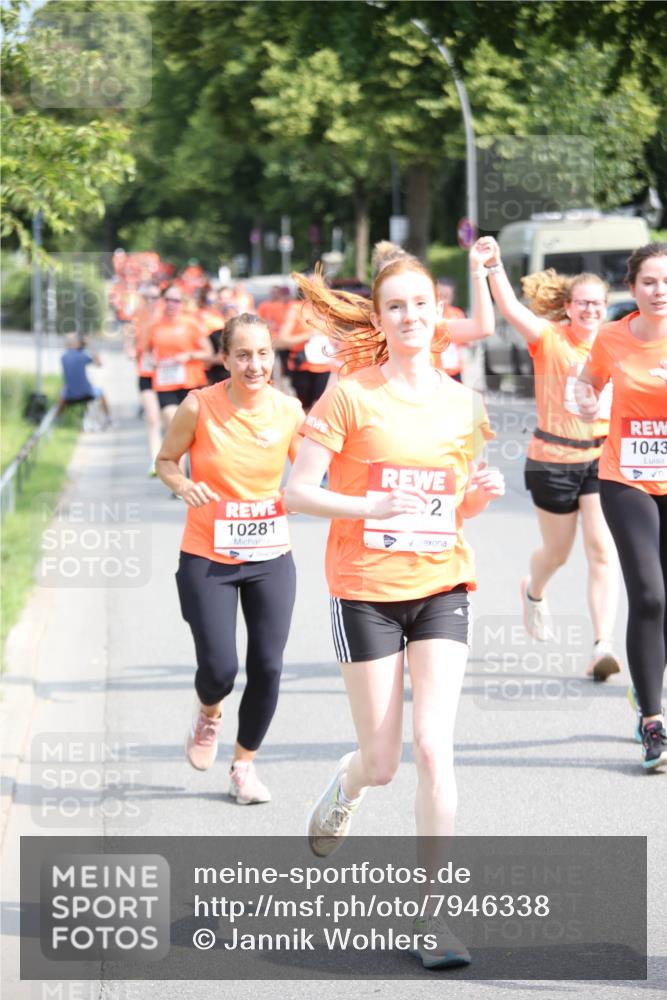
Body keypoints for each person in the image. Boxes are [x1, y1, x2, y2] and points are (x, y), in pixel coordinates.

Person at [284, 246, 503, 968]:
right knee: (382, 763)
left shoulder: (463, 403)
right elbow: (297, 491)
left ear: (439, 314)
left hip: (441, 584)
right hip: (365, 592)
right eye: (396, 307)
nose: (411, 316)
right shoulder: (349, 395)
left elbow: (454, 507)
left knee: (435, 748)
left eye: (421, 304)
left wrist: (478, 496)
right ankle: (347, 785)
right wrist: (366, 505)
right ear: (378, 320)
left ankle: (431, 917)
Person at [155, 313, 305, 802]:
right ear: (224, 358)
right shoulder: (198, 406)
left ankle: (244, 766)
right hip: (207, 555)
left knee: (268, 665)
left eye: (263, 354)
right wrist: (183, 485)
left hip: (269, 554)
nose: (254, 365)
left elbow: (310, 473)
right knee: (220, 668)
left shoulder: (289, 410)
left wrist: (304, 496)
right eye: (242, 355)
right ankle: (209, 712)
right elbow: (165, 461)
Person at [482, 238, 621, 679]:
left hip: (601, 459)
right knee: (557, 554)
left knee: (602, 550)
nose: (591, 310)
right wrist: (494, 266)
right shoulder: (550, 338)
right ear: (569, 306)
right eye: (583, 303)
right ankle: (534, 589)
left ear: (606, 307)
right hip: (552, 460)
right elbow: (509, 309)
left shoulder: (616, 344)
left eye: (597, 304)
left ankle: (602, 645)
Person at [576, 243, 667, 769]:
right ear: (631, 288)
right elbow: (588, 383)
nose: (659, 291)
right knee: (649, 595)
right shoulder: (612, 338)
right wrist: (586, 399)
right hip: (626, 478)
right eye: (649, 281)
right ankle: (653, 721)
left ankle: (647, 684)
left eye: (666, 281)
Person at [147, 286, 213, 444]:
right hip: (165, 383)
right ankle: (179, 460)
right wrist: (152, 361)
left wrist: (188, 356)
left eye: (176, 300)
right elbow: (149, 351)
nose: (171, 304)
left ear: (182, 303)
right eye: (167, 300)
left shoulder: (191, 324)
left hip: (191, 382)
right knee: (173, 425)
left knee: (195, 430)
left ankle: (194, 458)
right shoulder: (155, 325)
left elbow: (208, 353)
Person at [56, 333, 111, 424]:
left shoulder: (64, 357)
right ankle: (107, 418)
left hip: (69, 396)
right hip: (87, 393)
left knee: (62, 393)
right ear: (78, 344)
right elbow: (99, 364)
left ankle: (58, 419)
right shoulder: (83, 355)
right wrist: (90, 345)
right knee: (101, 392)